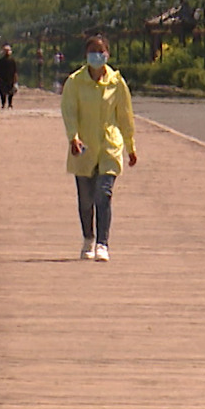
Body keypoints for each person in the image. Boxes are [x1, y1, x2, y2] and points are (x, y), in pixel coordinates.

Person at [61, 35, 138, 262]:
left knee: (103, 195)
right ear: (86, 55)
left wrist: (130, 146)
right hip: (83, 147)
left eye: (101, 51)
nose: (97, 55)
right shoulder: (75, 82)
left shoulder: (116, 83)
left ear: (108, 55)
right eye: (93, 51)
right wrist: (73, 137)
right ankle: (88, 238)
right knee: (86, 200)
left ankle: (103, 243)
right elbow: (69, 112)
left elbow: (125, 116)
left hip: (109, 145)